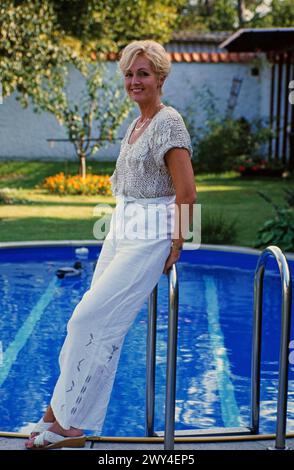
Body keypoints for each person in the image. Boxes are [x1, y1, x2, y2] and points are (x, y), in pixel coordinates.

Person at [25, 39, 197, 449]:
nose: (135, 81)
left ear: (160, 77)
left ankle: (68, 426)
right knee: (97, 327)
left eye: (143, 73)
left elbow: (187, 192)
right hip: (122, 226)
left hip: (151, 232)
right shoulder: (136, 124)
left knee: (88, 321)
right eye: (129, 74)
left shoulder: (169, 121)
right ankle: (62, 417)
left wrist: (179, 243)